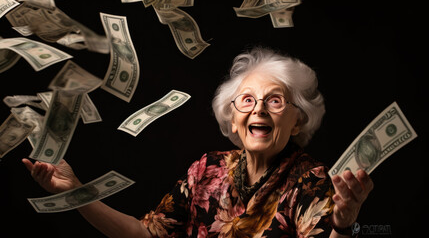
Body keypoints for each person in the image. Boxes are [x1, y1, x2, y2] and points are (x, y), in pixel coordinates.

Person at [22, 46, 374, 238]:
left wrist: (343, 228)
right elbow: (144, 234)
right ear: (234, 120)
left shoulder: (311, 180)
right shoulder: (207, 169)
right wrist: (74, 191)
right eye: (247, 100)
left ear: (297, 121)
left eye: (276, 100)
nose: (260, 109)